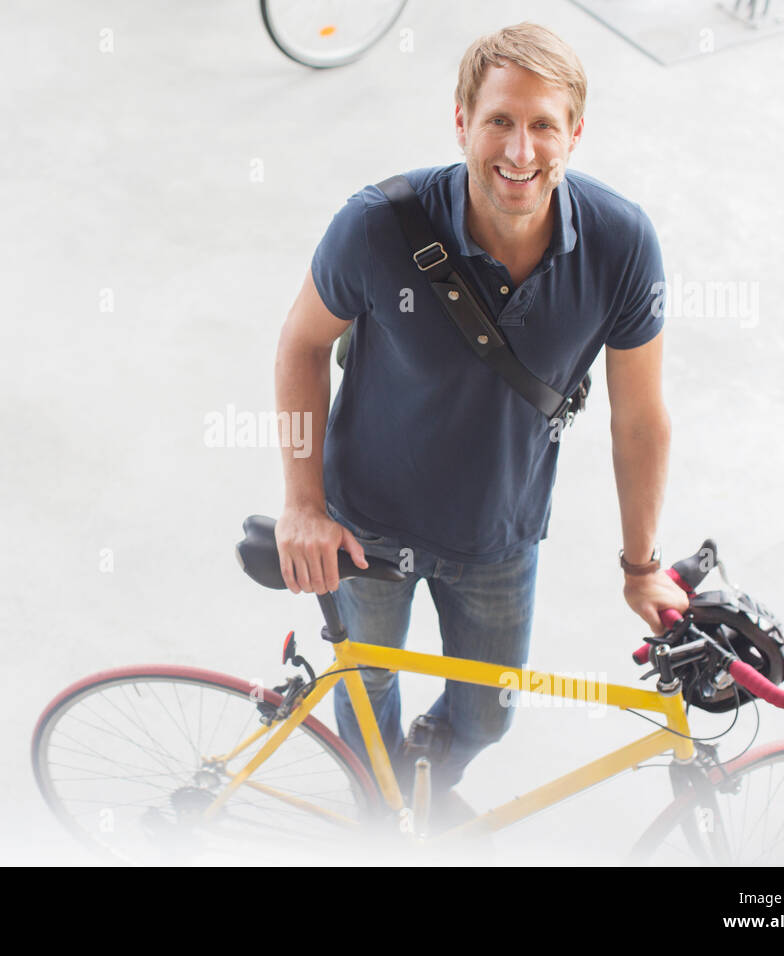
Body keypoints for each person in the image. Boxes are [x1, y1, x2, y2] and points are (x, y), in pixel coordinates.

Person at [272, 22, 690, 823]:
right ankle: (380, 809)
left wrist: (642, 567)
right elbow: (300, 345)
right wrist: (301, 502)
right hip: (366, 526)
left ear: (575, 133)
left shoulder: (621, 245)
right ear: (461, 122)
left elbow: (641, 421)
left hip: (500, 535)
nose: (520, 151)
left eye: (542, 124)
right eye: (499, 120)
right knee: (367, 694)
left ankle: (425, 772)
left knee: (488, 713)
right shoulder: (377, 226)